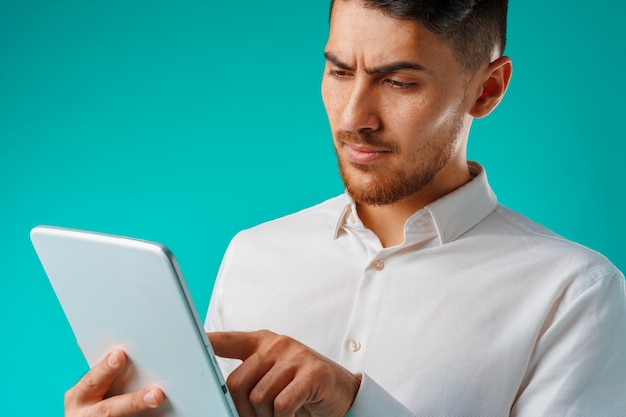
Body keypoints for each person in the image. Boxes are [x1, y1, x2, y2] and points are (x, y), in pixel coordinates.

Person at [64, 0, 626, 416]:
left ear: (487, 90)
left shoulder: (575, 293)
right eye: (338, 71)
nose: (354, 115)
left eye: (400, 81)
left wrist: (357, 404)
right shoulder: (253, 254)